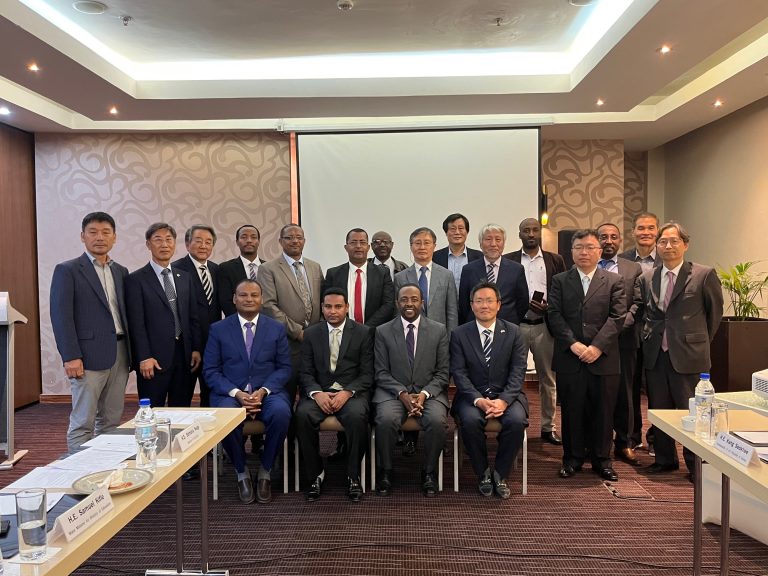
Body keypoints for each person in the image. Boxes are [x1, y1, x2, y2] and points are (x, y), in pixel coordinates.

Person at [639, 222, 723, 479]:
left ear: (685, 245)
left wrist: (696, 342)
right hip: (656, 354)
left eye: (674, 241)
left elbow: (714, 315)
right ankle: (665, 459)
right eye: (663, 241)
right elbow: (648, 314)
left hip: (689, 355)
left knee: (693, 411)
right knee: (660, 410)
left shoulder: (703, 275)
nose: (668, 246)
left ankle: (695, 465)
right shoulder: (647, 277)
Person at [204, 279, 292, 504]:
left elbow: (284, 368)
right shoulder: (218, 329)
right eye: (243, 295)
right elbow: (211, 371)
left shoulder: (276, 328)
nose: (249, 299)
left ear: (262, 299)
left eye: (254, 295)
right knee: (226, 416)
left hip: (268, 392)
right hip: (231, 394)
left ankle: (265, 470)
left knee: (281, 413)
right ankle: (241, 471)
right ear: (234, 299)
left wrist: (262, 391)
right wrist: (237, 393)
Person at [547, 229, 626, 482]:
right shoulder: (560, 280)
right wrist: (573, 344)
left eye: (590, 247)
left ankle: (603, 460)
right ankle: (572, 459)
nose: (584, 252)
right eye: (579, 247)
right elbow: (554, 315)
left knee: (604, 411)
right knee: (572, 410)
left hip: (604, 358)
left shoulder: (614, 281)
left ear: (599, 251)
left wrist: (597, 347)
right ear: (571, 252)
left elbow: (618, 317)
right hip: (571, 357)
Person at [50, 212, 131, 453]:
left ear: (114, 237)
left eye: (106, 232)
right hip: (86, 355)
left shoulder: (121, 271)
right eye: (93, 232)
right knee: (83, 421)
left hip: (120, 352)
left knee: (111, 419)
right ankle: (79, 469)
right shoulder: (68, 270)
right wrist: (70, 356)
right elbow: (61, 316)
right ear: (82, 236)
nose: (99, 237)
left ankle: (105, 465)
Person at [450, 281, 529, 499]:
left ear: (499, 304)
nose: (484, 305)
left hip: (507, 396)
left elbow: (518, 371)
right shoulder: (459, 334)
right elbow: (459, 373)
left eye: (489, 301)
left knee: (516, 421)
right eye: (479, 301)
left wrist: (503, 400)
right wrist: (478, 399)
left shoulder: (514, 332)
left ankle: (500, 474)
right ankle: (483, 472)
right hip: (472, 397)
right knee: (470, 421)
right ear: (471, 305)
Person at [297, 288, 373, 502]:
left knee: (357, 417)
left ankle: (353, 475)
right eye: (328, 306)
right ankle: (316, 474)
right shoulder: (311, 333)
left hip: (351, 393)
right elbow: (305, 372)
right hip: (319, 392)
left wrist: (347, 393)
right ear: (322, 308)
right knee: (302, 415)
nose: (333, 311)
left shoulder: (363, 332)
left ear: (347, 307)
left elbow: (367, 374)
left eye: (338, 306)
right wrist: (316, 393)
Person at [373, 284, 449, 497]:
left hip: (429, 394)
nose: (409, 304)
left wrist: (424, 394)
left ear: (422, 303)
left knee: (437, 421)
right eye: (404, 299)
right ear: (397, 303)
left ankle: (429, 472)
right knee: (385, 419)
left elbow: (443, 373)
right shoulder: (382, 331)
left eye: (414, 299)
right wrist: (402, 393)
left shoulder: (438, 330)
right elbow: (380, 372)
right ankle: (386, 470)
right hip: (393, 394)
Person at [503, 217, 566, 446]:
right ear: (519, 234)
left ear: (540, 233)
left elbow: (562, 290)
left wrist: (549, 307)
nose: (531, 234)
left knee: (548, 379)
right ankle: (512, 423)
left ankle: (549, 427)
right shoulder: (508, 260)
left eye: (534, 230)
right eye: (526, 230)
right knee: (512, 376)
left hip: (543, 326)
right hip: (516, 326)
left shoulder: (555, 260)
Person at [126, 222, 201, 408]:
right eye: (158, 240)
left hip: (184, 357)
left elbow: (192, 317)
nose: (164, 244)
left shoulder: (184, 277)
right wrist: (143, 357)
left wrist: (195, 349)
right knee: (152, 411)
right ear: (148, 244)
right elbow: (136, 324)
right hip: (153, 359)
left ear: (175, 244)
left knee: (182, 410)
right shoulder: (136, 279)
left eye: (169, 239)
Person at [257, 224, 324, 400]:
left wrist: (317, 331)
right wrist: (298, 332)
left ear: (304, 241)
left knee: (312, 393)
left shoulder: (315, 267)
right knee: (286, 393)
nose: (295, 241)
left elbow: (323, 301)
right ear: (280, 241)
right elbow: (268, 306)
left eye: (299, 237)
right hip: (286, 342)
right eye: (289, 237)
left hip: (314, 341)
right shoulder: (268, 268)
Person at [597, 223, 643, 465]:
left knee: (626, 393)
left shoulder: (633, 268)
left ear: (620, 240)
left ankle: (624, 443)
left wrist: (616, 327)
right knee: (596, 393)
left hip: (623, 339)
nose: (608, 241)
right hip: (593, 341)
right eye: (603, 237)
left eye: (613, 237)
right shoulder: (586, 265)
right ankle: (595, 441)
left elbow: (637, 304)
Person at [619, 212, 662, 454]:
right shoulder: (622, 260)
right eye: (641, 228)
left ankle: (657, 439)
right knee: (630, 388)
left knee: (657, 390)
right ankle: (631, 437)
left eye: (650, 228)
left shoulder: (668, 258)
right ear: (633, 232)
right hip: (630, 333)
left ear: (657, 231)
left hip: (659, 335)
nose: (646, 232)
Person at [172, 224, 220, 408]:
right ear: (187, 244)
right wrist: (193, 347)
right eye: (198, 241)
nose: (203, 246)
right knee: (182, 398)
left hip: (213, 346)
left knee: (211, 397)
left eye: (208, 242)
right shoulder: (176, 270)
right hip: (186, 348)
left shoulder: (216, 270)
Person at [458, 223, 528, 325]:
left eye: (498, 239)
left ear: (504, 244)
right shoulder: (468, 270)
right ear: (480, 244)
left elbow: (523, 303)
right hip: (476, 326)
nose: (493, 244)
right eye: (488, 239)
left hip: (507, 326)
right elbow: (464, 304)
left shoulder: (516, 269)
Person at [324, 228, 394, 327]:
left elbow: (388, 305)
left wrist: (365, 329)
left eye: (362, 242)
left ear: (368, 247)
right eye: (353, 242)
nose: (358, 246)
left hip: (373, 331)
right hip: (343, 330)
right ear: (346, 247)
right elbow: (327, 305)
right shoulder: (333, 274)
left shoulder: (382, 273)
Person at [394, 227, 458, 332]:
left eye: (427, 243)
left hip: (439, 334)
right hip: (410, 333)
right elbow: (398, 312)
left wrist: (450, 337)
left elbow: (452, 312)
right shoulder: (400, 277)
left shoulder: (446, 275)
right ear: (411, 247)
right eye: (418, 243)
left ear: (434, 246)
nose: (422, 247)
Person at [217, 225, 264, 317]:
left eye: (253, 237)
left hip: (267, 322)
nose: (249, 240)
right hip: (236, 322)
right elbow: (226, 301)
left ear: (258, 241)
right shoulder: (226, 268)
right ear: (237, 242)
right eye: (244, 237)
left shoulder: (269, 268)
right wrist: (245, 321)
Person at [433, 213, 482, 291]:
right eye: (452, 229)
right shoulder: (435, 257)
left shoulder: (479, 257)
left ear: (467, 232)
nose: (457, 232)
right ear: (446, 233)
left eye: (461, 228)